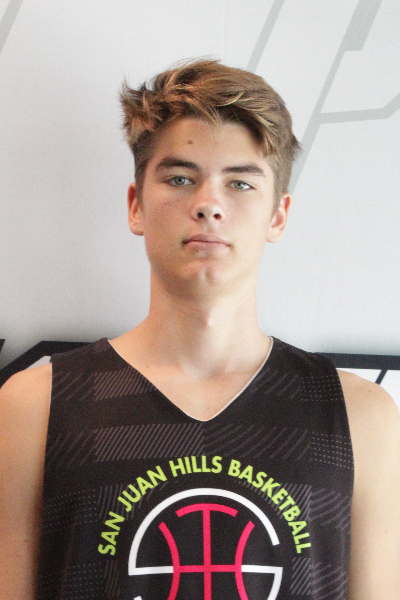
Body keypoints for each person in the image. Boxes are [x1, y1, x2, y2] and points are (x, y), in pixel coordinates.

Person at [0, 59, 399, 600]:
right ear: (136, 205)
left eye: (240, 183)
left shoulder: (359, 416)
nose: (209, 204)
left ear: (278, 215)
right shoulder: (35, 406)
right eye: (180, 178)